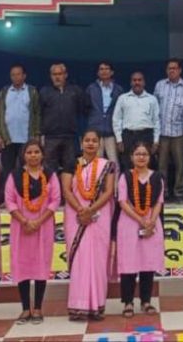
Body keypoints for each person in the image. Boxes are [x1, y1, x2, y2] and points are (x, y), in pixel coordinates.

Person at [60, 130, 116, 321]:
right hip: (75, 217)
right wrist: (81, 210)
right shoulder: (71, 163)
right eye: (87, 140)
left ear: (99, 144)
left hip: (99, 217)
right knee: (79, 260)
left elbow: (108, 192)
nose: (90, 144)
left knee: (98, 261)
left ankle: (96, 306)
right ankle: (78, 306)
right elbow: (66, 190)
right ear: (81, 143)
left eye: (94, 141)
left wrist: (90, 210)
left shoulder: (107, 165)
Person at [4, 140, 61, 326]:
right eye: (29, 152)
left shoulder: (50, 175)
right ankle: (25, 308)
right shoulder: (14, 176)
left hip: (43, 227)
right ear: (23, 155)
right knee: (22, 266)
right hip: (21, 227)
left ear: (42, 154)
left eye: (37, 152)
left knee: (40, 266)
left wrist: (38, 221)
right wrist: (24, 221)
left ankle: (37, 308)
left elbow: (55, 200)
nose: (33, 155)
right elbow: (9, 201)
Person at [116, 143, 164, 318]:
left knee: (147, 263)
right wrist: (141, 220)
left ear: (150, 157)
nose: (141, 157)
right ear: (131, 157)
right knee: (128, 264)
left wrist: (151, 222)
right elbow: (122, 202)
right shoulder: (125, 176)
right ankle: (128, 302)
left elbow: (159, 202)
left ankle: (146, 301)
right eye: (137, 154)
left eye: (144, 154)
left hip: (152, 222)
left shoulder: (157, 177)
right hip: (129, 223)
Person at [0, 64, 40, 201]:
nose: (15, 77)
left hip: (26, 139)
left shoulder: (32, 91)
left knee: (26, 169)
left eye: (18, 74)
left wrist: (36, 135)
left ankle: (25, 198)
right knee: (7, 170)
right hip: (8, 138)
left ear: (24, 76)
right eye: (13, 75)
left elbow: (37, 114)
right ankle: (6, 199)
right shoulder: (4, 92)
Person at [40, 63, 89, 172]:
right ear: (50, 76)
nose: (57, 77)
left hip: (70, 137)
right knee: (49, 169)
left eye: (60, 74)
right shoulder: (45, 92)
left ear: (65, 75)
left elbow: (83, 110)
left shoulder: (75, 91)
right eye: (54, 74)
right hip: (50, 137)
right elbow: (39, 114)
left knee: (70, 168)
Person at [154, 58, 183, 203]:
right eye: (169, 68)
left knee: (180, 164)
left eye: (174, 68)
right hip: (162, 132)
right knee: (162, 165)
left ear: (180, 70)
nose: (172, 71)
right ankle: (164, 192)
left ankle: (179, 193)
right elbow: (154, 107)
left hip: (179, 131)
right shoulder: (160, 85)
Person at [113, 72, 160, 169]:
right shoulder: (123, 98)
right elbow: (116, 120)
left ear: (144, 82)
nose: (137, 82)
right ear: (131, 82)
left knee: (147, 165)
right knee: (128, 164)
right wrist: (119, 140)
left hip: (146, 135)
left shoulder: (152, 99)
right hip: (128, 136)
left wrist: (156, 141)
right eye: (134, 80)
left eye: (139, 80)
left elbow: (156, 121)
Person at [85, 61, 123, 169]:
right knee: (95, 162)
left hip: (111, 131)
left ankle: (115, 181)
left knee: (113, 162)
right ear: (98, 72)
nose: (104, 71)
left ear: (112, 72)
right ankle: (95, 181)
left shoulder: (118, 89)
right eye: (101, 69)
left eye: (107, 69)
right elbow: (85, 108)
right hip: (95, 130)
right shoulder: (91, 88)